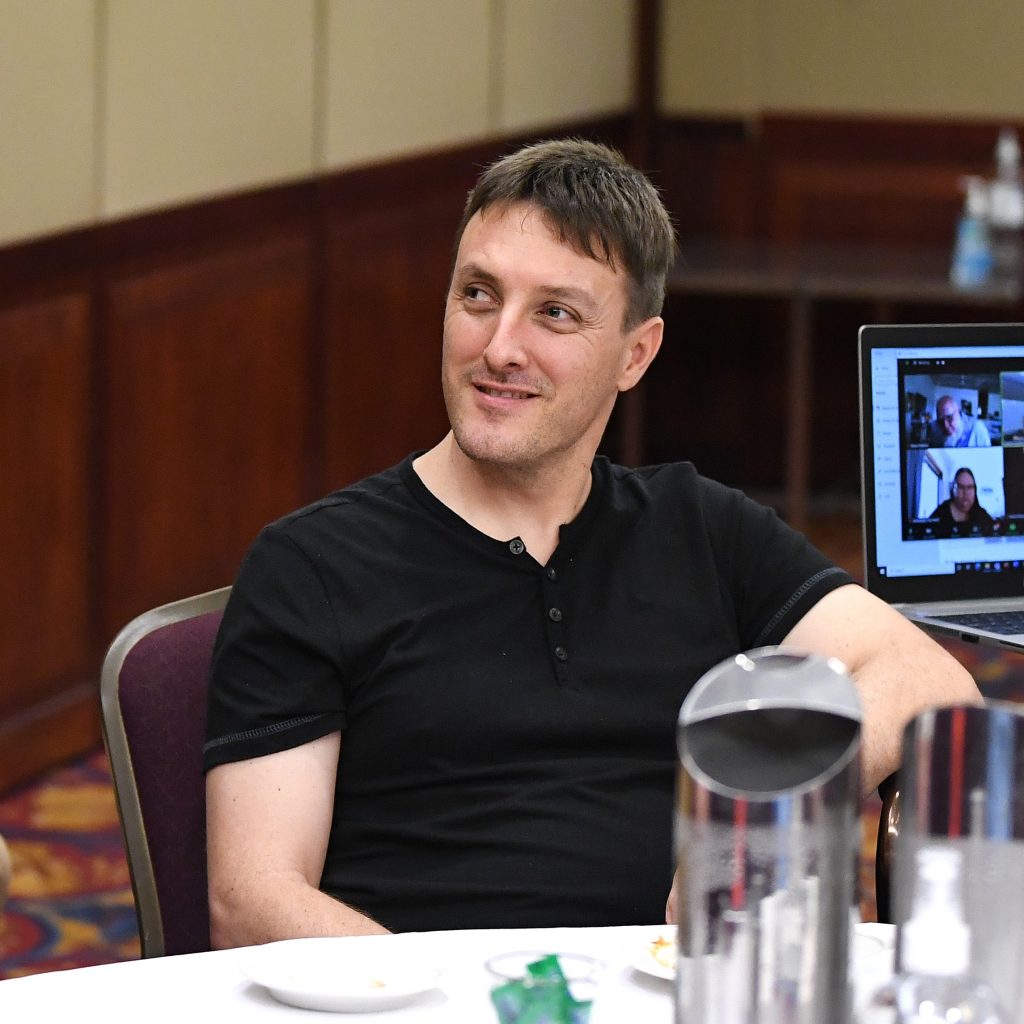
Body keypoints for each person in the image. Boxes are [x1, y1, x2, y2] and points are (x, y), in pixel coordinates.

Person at [204, 139, 981, 949]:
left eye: (556, 313)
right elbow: (251, 898)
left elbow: (925, 677)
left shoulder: (699, 527)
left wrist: (763, 811)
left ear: (635, 355)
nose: (500, 346)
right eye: (478, 295)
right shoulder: (314, 565)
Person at [930, 467, 995, 537]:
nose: (965, 492)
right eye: (961, 487)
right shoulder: (940, 513)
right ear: (953, 489)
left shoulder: (983, 516)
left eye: (969, 487)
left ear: (974, 490)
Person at [927, 395, 991, 447]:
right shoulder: (935, 429)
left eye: (949, 417)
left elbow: (988, 458)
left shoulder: (977, 428)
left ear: (958, 411)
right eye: (941, 420)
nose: (945, 426)